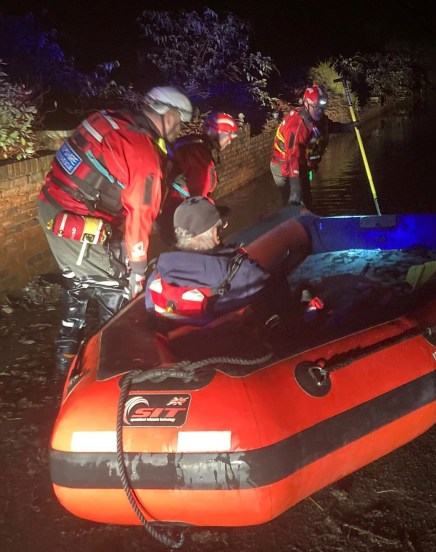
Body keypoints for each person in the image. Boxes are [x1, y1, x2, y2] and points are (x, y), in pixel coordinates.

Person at [37, 86, 193, 374]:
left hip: (55, 207)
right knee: (119, 297)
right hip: (75, 221)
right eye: (180, 122)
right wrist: (137, 273)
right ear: (169, 116)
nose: (179, 130)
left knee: (79, 286)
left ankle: (65, 367)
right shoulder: (143, 154)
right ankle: (111, 371)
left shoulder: (111, 119)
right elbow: (140, 218)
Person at [145, 197, 279, 326]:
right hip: (230, 343)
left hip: (183, 342)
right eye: (220, 226)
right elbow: (268, 286)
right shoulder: (238, 273)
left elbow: (150, 307)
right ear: (215, 234)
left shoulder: (157, 275)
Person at [157, 112, 239, 244]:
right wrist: (215, 218)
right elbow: (199, 197)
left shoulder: (193, 146)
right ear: (218, 134)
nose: (229, 142)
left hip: (174, 215)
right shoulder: (199, 155)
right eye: (229, 136)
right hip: (180, 221)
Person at [270, 84, 350, 207]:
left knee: (307, 199)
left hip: (301, 165)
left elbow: (327, 127)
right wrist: (295, 190)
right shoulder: (296, 125)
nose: (320, 112)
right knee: (293, 204)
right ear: (306, 104)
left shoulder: (315, 116)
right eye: (316, 108)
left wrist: (347, 127)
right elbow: (292, 157)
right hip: (285, 167)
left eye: (322, 108)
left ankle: (307, 214)